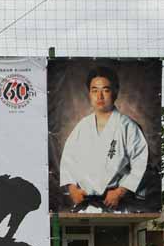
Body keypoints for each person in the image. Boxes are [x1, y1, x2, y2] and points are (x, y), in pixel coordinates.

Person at [59, 66, 148, 213]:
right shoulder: (82, 126)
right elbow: (68, 161)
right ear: (89, 93)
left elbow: (141, 163)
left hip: (116, 206)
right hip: (87, 205)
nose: (99, 96)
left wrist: (120, 192)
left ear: (115, 92)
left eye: (105, 90)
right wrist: (72, 188)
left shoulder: (127, 126)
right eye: (94, 90)